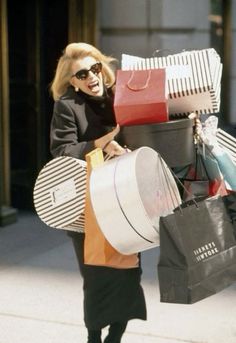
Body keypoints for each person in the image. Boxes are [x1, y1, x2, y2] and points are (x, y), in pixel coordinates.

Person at [49, 42, 147, 343]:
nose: (92, 77)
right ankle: (94, 338)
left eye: (95, 68)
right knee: (96, 279)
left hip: (126, 201)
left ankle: (114, 337)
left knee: (129, 276)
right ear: (71, 82)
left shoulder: (124, 95)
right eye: (82, 74)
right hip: (88, 208)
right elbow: (61, 150)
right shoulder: (67, 106)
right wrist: (101, 143)